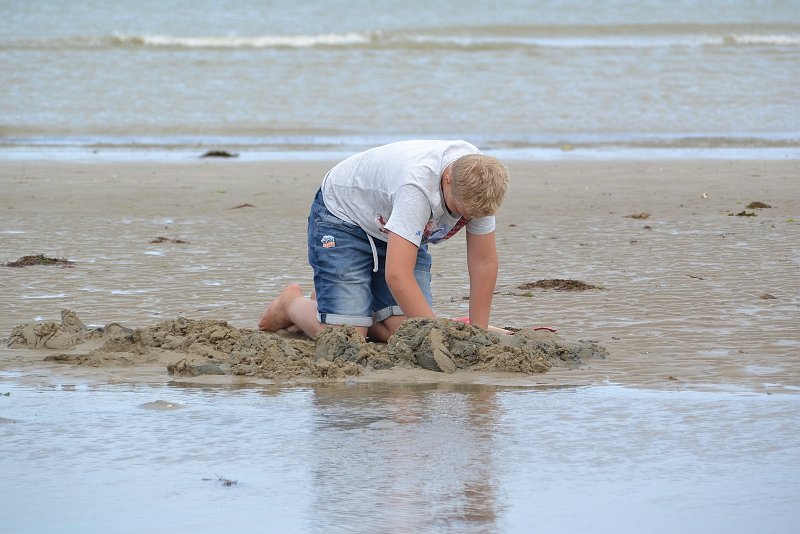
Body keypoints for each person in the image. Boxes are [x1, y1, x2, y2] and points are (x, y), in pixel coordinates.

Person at [258, 139, 509, 342]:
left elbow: (483, 263)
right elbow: (398, 276)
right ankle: (292, 303)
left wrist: (479, 333)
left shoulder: (483, 186)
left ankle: (338, 304)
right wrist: (440, 338)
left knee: (404, 333)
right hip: (344, 218)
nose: (467, 218)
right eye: (461, 210)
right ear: (448, 180)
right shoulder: (417, 188)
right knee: (347, 339)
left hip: (397, 230)